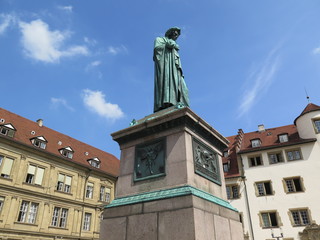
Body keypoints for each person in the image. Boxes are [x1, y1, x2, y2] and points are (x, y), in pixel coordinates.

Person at [153, 27, 189, 112]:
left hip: (175, 70)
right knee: (166, 83)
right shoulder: (159, 39)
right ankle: (166, 102)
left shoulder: (174, 45)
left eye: (177, 35)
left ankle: (178, 102)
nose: (176, 36)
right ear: (170, 33)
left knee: (183, 87)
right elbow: (157, 51)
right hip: (165, 67)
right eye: (175, 33)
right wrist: (167, 45)